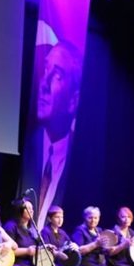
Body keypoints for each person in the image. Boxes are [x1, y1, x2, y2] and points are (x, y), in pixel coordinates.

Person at [29, 40, 83, 223]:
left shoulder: (78, 160)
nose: (43, 84)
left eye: (57, 76)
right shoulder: (27, 145)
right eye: (45, 69)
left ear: (73, 101)